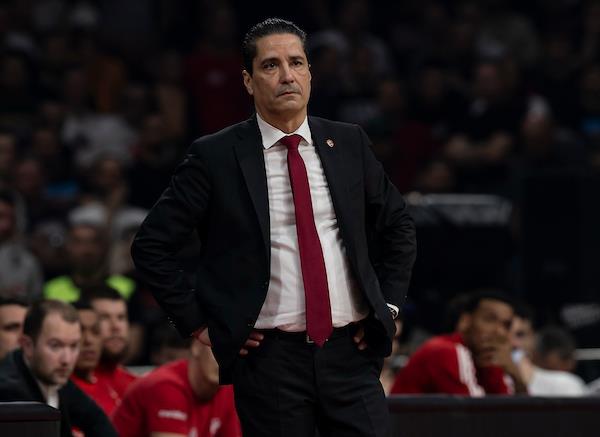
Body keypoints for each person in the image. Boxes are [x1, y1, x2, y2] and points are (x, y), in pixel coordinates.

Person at [131, 17, 416, 437]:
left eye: (296, 63)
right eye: (270, 65)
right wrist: (201, 323)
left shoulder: (348, 142)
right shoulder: (216, 156)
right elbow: (151, 245)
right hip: (269, 362)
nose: (287, 75)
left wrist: (387, 306)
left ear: (310, 74)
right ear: (248, 81)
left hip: (351, 353)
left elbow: (399, 225)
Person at [0, 299, 116, 437]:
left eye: (74, 346)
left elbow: (97, 421)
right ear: (28, 346)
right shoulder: (9, 393)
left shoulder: (52, 375)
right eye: (55, 346)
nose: (66, 359)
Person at [391, 290, 527, 395]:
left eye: (506, 325)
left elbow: (515, 415)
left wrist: (516, 376)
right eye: (489, 319)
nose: (500, 332)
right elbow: (478, 416)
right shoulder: (445, 351)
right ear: (465, 321)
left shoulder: (488, 359)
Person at [112, 339, 241, 437]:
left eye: (231, 352)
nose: (224, 360)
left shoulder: (226, 389)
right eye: (217, 350)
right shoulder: (166, 385)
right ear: (196, 346)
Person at [87, 285, 137, 403]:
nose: (116, 326)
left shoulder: (136, 385)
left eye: (121, 317)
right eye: (104, 318)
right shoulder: (68, 387)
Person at [70, 299, 121, 415]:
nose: (88, 340)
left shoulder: (114, 385)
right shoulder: (59, 391)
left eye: (95, 331)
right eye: (80, 331)